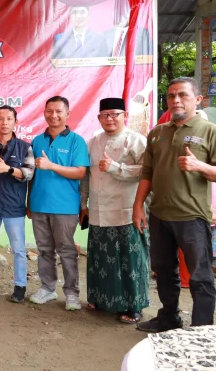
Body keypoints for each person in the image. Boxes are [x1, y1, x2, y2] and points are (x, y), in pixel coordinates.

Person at [134, 77, 216, 332]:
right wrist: (138, 206)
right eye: (171, 96)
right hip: (159, 215)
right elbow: (147, 172)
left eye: (182, 95)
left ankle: (202, 330)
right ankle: (169, 318)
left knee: (200, 275)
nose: (176, 100)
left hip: (192, 216)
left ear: (198, 99)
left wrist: (199, 166)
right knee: (164, 270)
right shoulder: (157, 133)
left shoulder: (209, 131)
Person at [80, 98, 149, 324]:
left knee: (129, 262)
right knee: (101, 260)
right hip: (98, 212)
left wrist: (116, 168)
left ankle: (134, 306)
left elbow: (148, 172)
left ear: (125, 116)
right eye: (105, 115)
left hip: (126, 212)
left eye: (115, 114)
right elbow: (85, 177)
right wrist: (83, 205)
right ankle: (101, 300)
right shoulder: (92, 143)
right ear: (98, 118)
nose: (109, 119)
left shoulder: (137, 141)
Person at [27, 96, 89, 310]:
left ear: (67, 114)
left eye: (58, 111)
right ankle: (47, 288)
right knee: (44, 250)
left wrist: (51, 165)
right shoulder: (37, 141)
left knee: (67, 250)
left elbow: (80, 172)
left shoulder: (76, 141)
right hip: (39, 204)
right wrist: (29, 202)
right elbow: (31, 174)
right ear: (44, 113)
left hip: (65, 207)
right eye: (49, 111)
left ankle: (72, 293)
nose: (53, 115)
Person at [0, 105, 35, 303]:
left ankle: (20, 287)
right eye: (0, 119)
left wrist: (9, 169)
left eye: (9, 119)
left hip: (14, 206)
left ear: (15, 122)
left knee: (18, 249)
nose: (4, 123)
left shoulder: (25, 147)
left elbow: (28, 173)